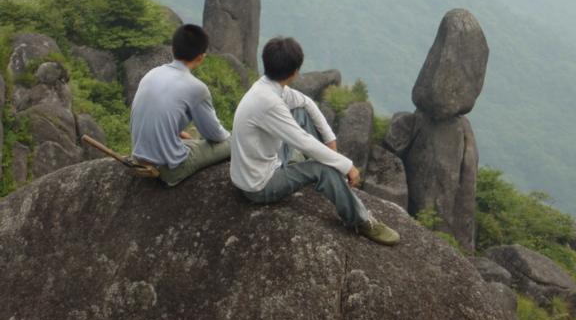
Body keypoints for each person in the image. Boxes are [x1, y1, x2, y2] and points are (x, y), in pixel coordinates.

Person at [230, 36, 400, 245]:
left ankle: (303, 166)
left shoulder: (266, 87)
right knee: (323, 169)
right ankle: (361, 220)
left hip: (258, 167)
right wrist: (346, 166)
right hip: (258, 186)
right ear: (294, 72)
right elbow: (304, 142)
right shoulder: (269, 102)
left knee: (300, 112)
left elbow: (305, 103)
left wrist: (330, 141)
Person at [130, 24, 231, 186]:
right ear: (201, 57)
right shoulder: (196, 88)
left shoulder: (151, 74)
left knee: (193, 137)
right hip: (169, 168)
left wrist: (179, 134)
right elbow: (215, 135)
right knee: (231, 142)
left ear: (173, 49)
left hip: (139, 159)